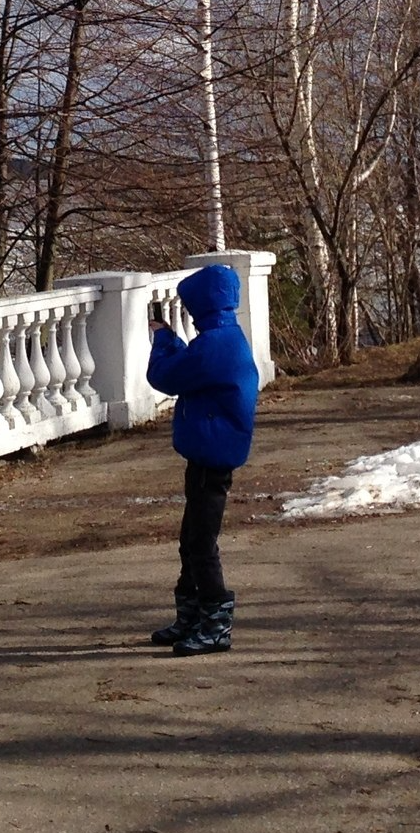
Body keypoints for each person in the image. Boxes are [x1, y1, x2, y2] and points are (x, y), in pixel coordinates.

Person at [144, 262, 259, 657]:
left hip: (213, 455)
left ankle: (215, 623)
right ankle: (191, 615)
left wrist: (162, 340)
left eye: (192, 306)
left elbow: (165, 377)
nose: (190, 313)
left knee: (200, 541)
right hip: (208, 451)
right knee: (190, 539)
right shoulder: (222, 337)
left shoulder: (216, 345)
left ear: (203, 305)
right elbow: (189, 371)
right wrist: (174, 343)